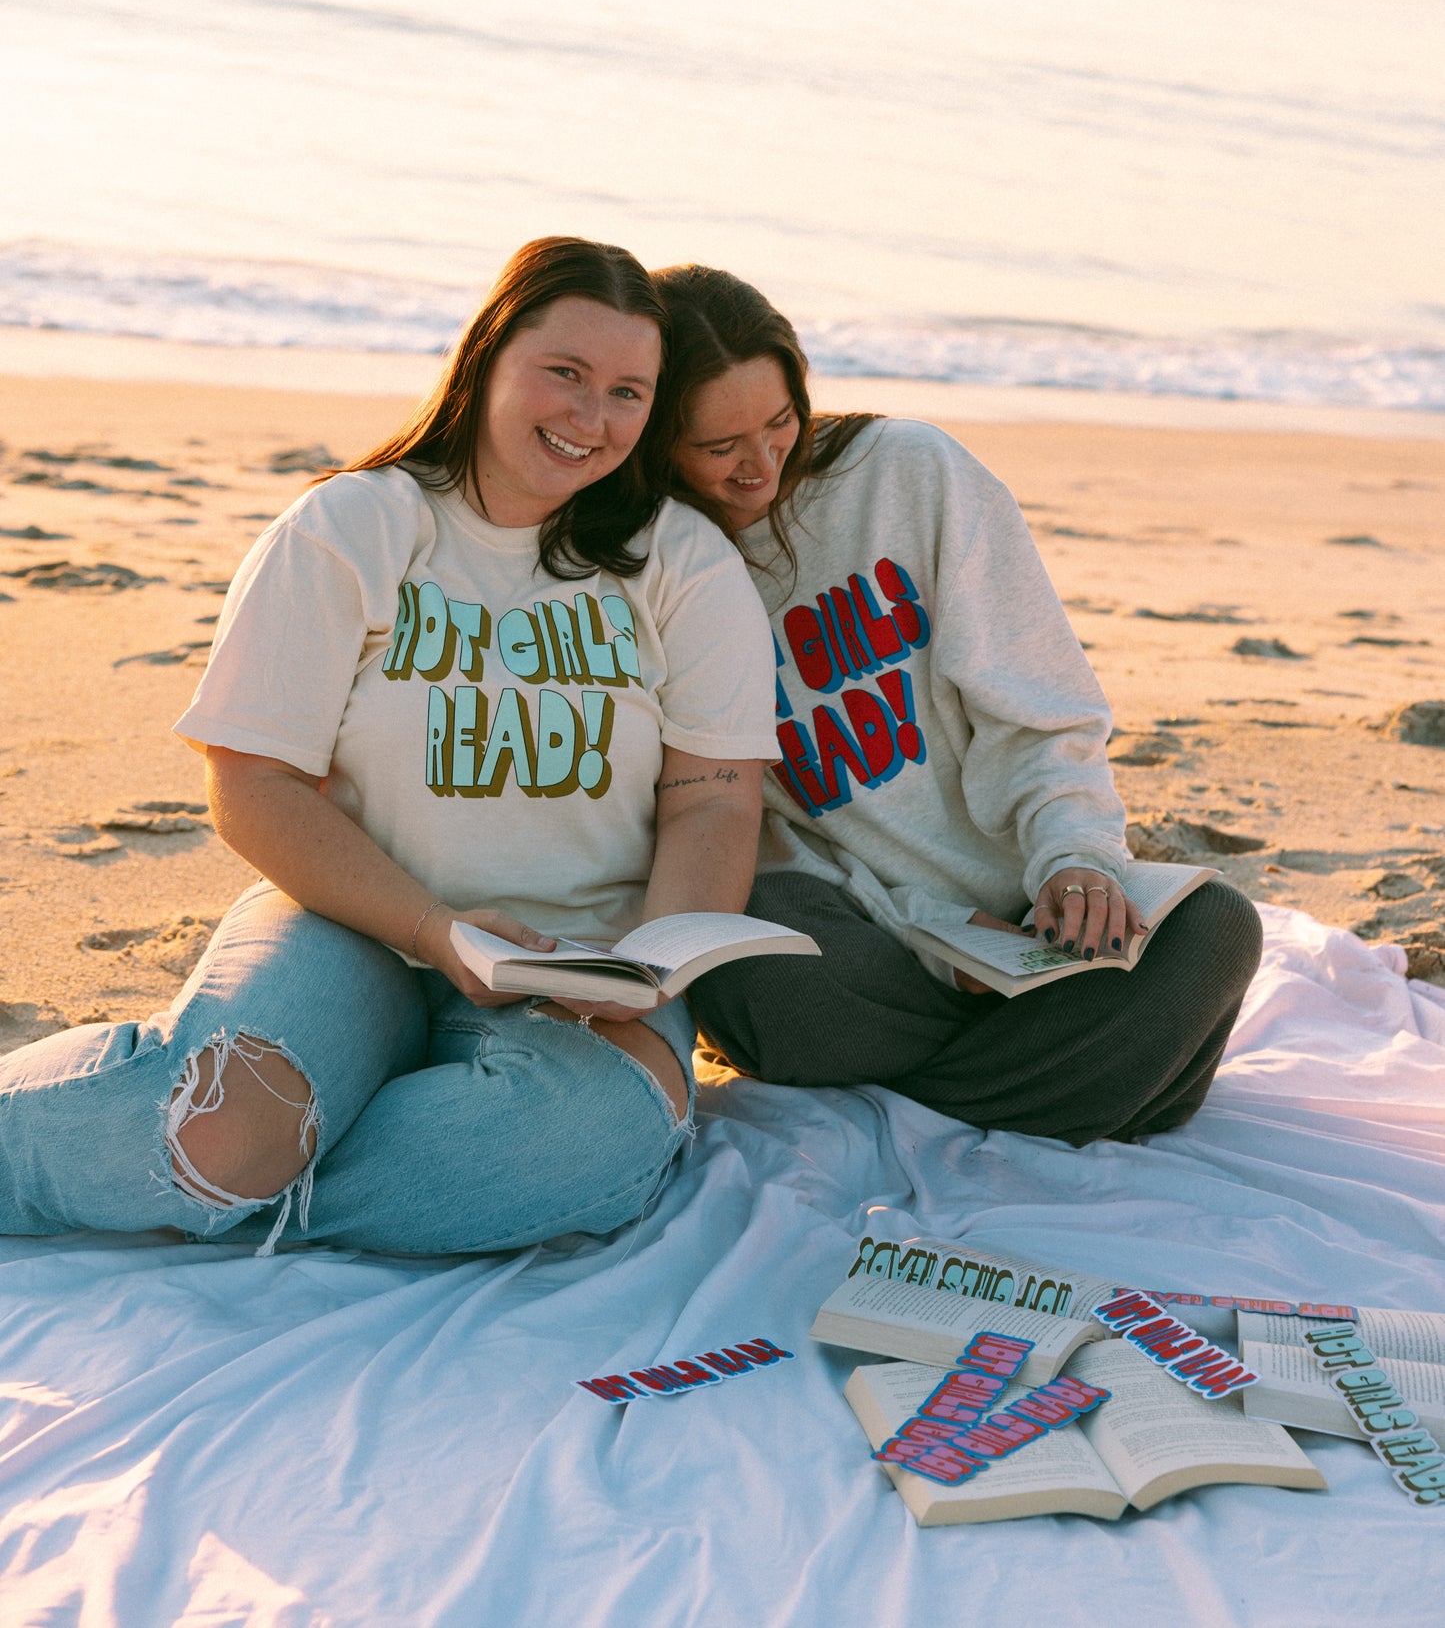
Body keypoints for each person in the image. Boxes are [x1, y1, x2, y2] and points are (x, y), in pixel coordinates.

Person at [0, 238, 779, 1254]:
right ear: (488, 353)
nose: (593, 419)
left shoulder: (681, 562)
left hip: (577, 964)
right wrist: (438, 930)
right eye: (565, 374)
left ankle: (257, 1182)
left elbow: (714, 796)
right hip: (354, 924)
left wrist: (660, 961)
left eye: (629, 392)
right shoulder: (352, 525)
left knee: (573, 1142)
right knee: (221, 1129)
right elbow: (253, 785)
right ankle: (231, 1162)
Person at [651, 263, 1262, 1147]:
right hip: (863, 931)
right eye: (718, 447)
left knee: (1215, 929)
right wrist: (932, 938)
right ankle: (1093, 1086)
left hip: (1027, 911)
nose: (761, 464)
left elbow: (1039, 704)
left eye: (781, 421)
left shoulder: (909, 473)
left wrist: (1074, 861)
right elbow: (750, 830)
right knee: (748, 969)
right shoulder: (660, 566)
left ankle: (948, 1094)